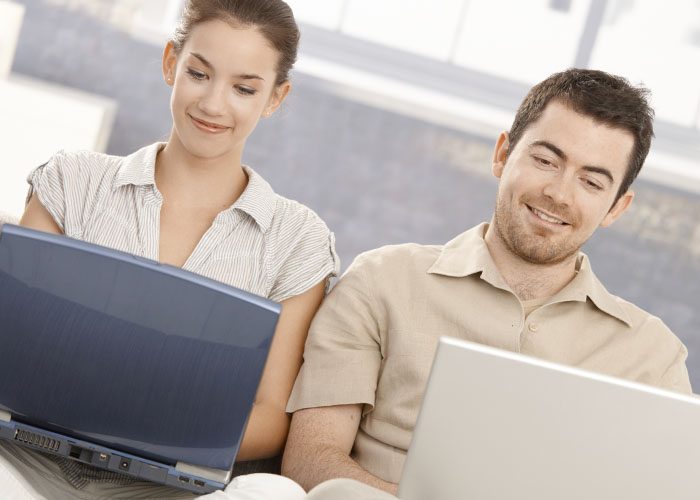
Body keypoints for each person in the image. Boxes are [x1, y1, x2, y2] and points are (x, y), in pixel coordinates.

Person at [282, 68, 692, 498]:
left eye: (591, 182)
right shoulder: (382, 280)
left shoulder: (653, 358)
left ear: (617, 207)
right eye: (545, 161)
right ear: (502, 155)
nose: (559, 193)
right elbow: (312, 461)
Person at [5, 0, 338, 498]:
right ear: (170, 64)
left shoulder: (296, 240)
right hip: (23, 464)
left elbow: (270, 415)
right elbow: (13, 346)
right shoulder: (72, 181)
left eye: (244, 88)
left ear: (275, 97)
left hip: (165, 489)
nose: (213, 105)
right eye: (200, 74)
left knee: (276, 495)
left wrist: (143, 426)